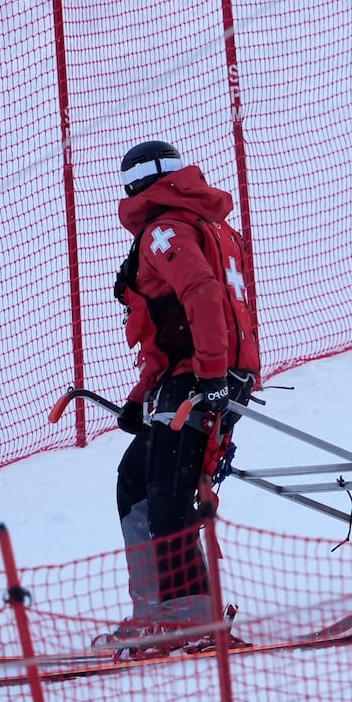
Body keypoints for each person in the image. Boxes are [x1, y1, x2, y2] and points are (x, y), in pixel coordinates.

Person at [95, 141, 261, 653]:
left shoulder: (164, 228)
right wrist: (141, 395)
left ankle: (182, 617)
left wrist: (208, 376)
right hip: (210, 377)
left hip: (198, 381)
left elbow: (203, 296)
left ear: (134, 186)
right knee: (140, 479)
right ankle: (166, 609)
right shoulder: (210, 224)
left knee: (167, 493)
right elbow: (177, 324)